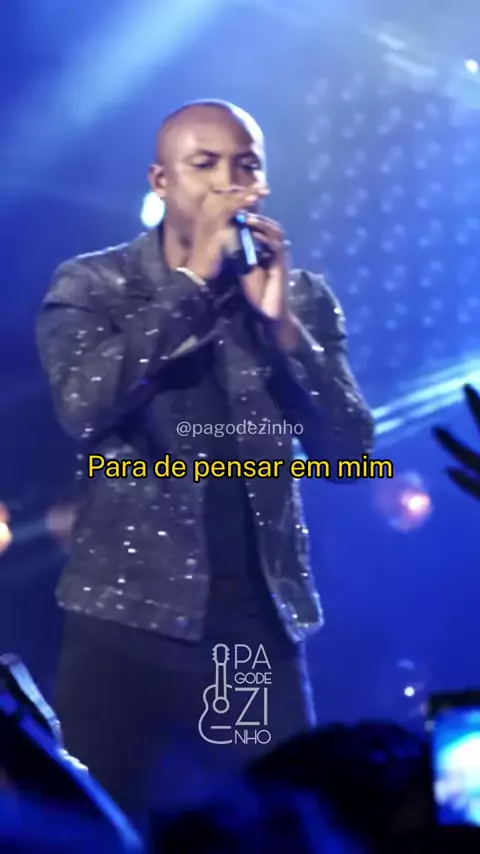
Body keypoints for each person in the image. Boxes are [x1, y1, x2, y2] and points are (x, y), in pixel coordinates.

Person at [36, 99, 374, 827]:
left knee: (272, 821)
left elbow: (349, 449)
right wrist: (190, 287)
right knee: (100, 826)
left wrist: (283, 330)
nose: (228, 184)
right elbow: (83, 407)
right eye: (205, 165)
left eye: (246, 166)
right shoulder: (95, 285)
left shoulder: (296, 295)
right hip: (121, 621)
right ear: (161, 181)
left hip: (243, 631)